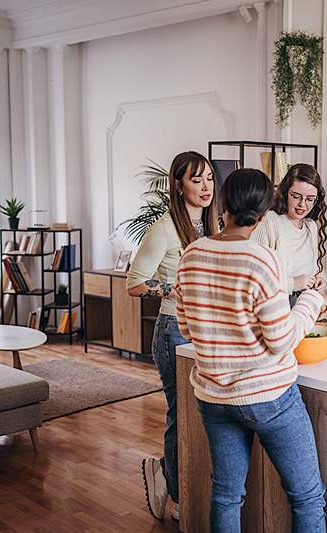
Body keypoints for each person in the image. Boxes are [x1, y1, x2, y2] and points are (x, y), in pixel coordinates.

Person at [174, 168, 326, 532]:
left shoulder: (192, 254)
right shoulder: (261, 259)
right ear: (263, 214)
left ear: (223, 204)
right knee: (306, 497)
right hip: (268, 396)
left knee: (226, 495)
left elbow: (186, 329)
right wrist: (310, 302)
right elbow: (281, 340)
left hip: (214, 397)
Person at [126, 151, 220, 521]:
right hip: (174, 331)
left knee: (201, 414)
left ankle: (168, 470)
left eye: (210, 178)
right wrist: (169, 287)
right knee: (180, 413)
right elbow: (134, 284)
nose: (206, 186)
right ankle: (179, 495)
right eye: (196, 180)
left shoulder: (214, 227)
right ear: (178, 187)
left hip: (207, 331)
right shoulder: (164, 228)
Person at [251, 163, 327, 305]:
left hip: (305, 307)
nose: (302, 204)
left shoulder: (310, 226)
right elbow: (255, 277)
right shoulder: (269, 221)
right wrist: (293, 284)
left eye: (310, 199)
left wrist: (320, 280)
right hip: (275, 309)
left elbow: (314, 269)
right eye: (296, 196)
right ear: (285, 192)